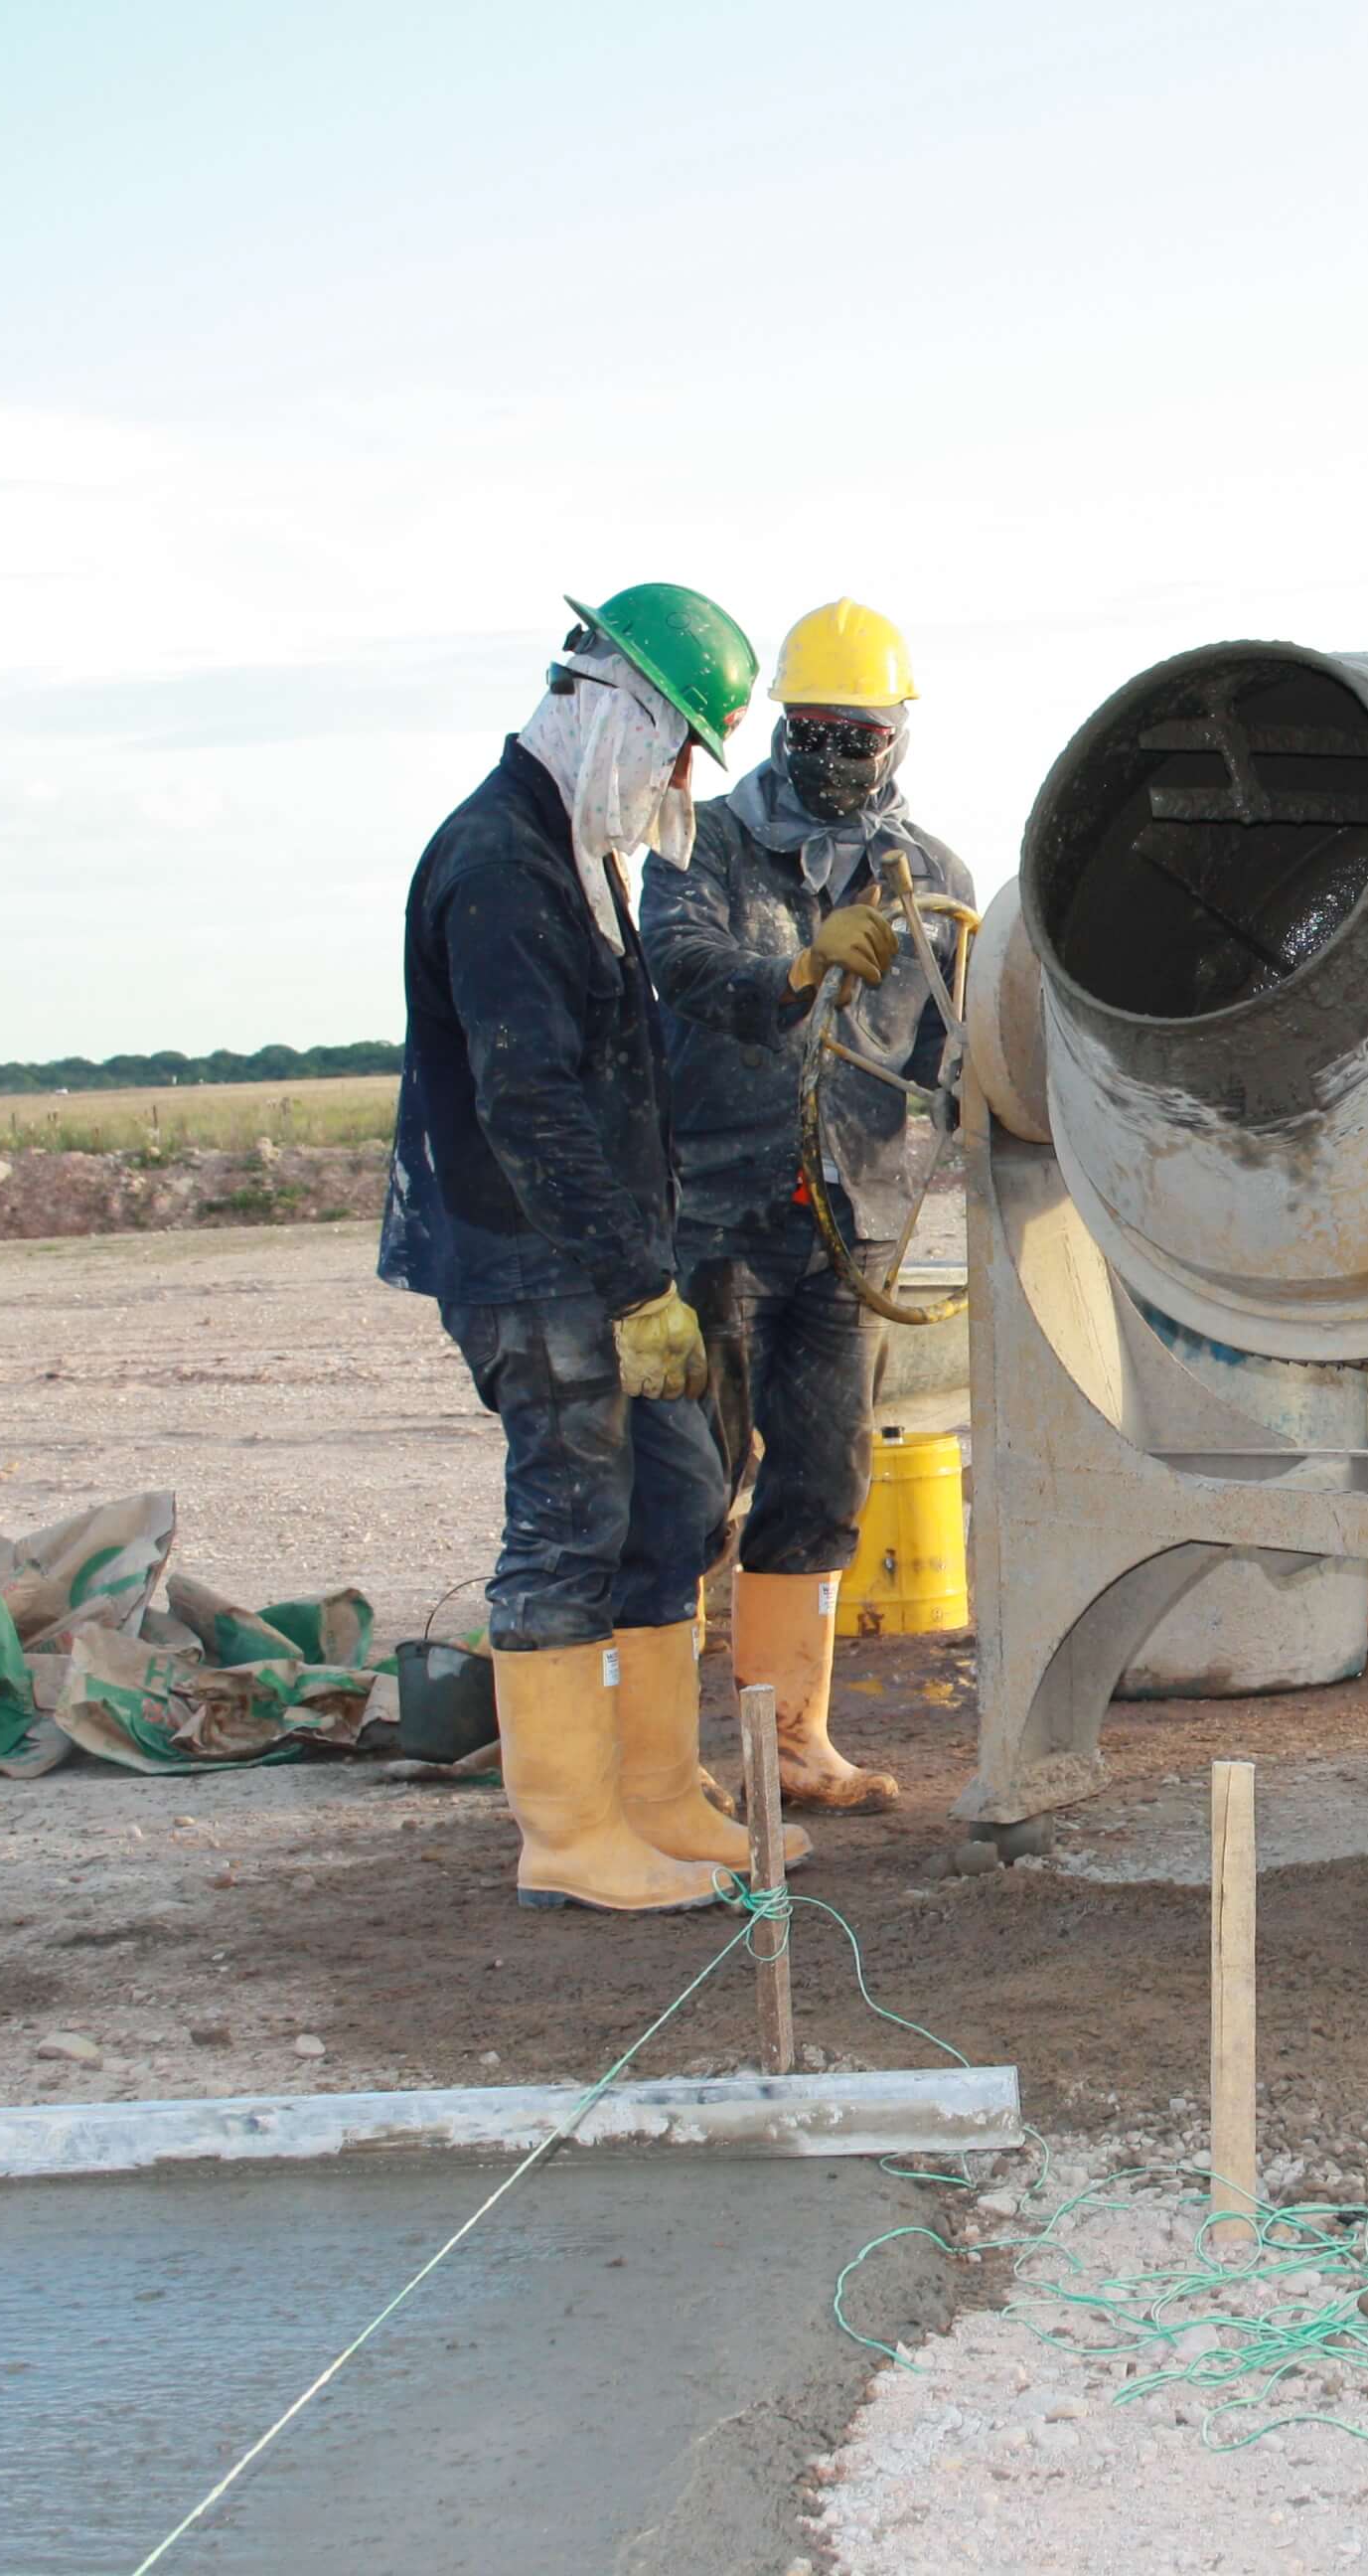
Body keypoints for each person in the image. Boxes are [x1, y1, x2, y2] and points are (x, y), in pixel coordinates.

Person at [380, 585, 763, 1911]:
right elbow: (527, 1102)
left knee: (674, 1500)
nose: (678, 779)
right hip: (535, 1264)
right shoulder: (500, 865)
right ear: (615, 713)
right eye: (675, 747)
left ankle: (655, 1792)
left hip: (613, 1257)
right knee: (570, 1521)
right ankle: (566, 1830)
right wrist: (630, 1284)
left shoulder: (579, 849)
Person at [643, 599, 976, 1817]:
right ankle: (662, 1758)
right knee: (688, 1481)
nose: (836, 755)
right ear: (782, 724)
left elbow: (959, 1044)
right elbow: (676, 963)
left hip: (856, 1217)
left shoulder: (931, 877)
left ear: (898, 735)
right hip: (721, 1208)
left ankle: (792, 1739)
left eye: (860, 734)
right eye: (814, 729)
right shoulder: (709, 843)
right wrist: (795, 965)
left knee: (824, 1479)